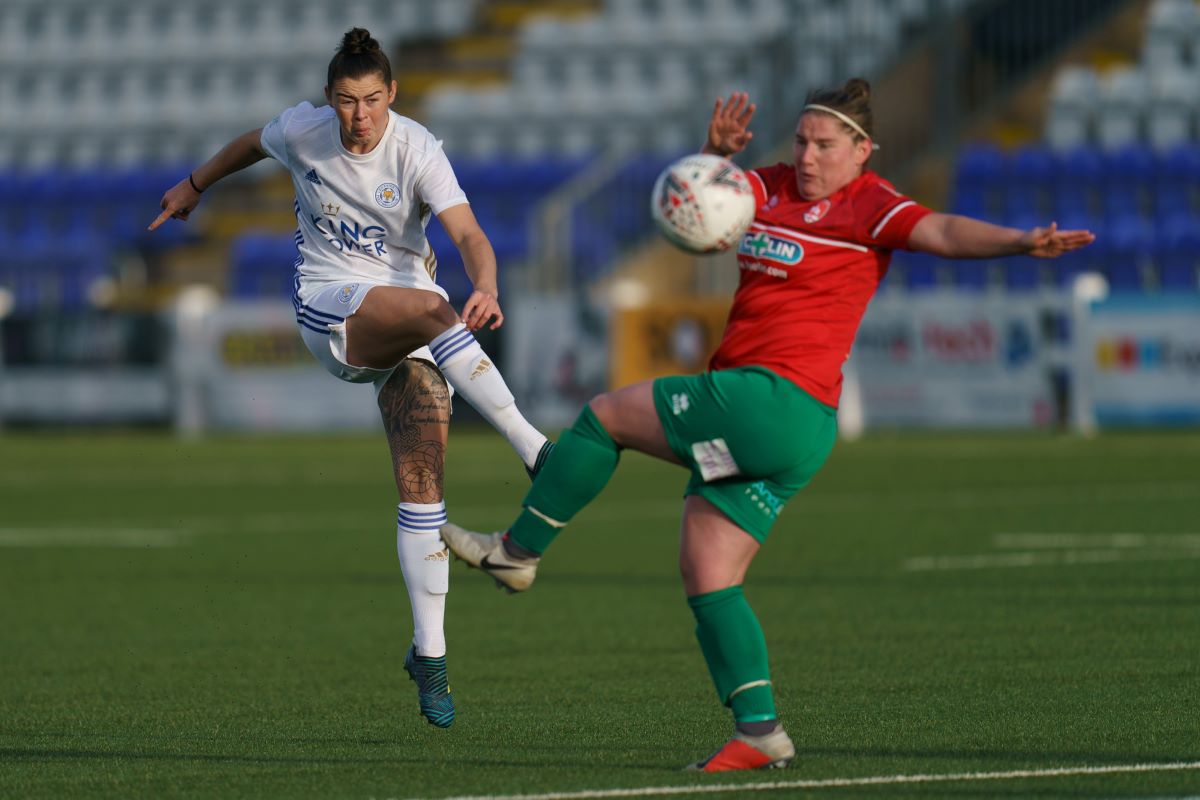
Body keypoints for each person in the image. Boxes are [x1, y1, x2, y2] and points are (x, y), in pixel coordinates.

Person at [440, 80, 1095, 768]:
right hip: (792, 432)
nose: (808, 156)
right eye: (802, 140)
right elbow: (694, 223)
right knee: (709, 572)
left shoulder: (870, 204)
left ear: (862, 151)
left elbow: (942, 231)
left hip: (771, 398)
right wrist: (711, 158)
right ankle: (759, 731)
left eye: (826, 145)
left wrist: (1021, 242)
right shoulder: (766, 188)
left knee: (603, 419)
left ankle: (518, 552)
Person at [151, 28, 556, 729]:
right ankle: (534, 449)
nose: (359, 116)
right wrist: (192, 186)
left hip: (411, 325)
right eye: (346, 101)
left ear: (392, 95)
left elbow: (468, 235)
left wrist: (486, 282)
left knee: (423, 484)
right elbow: (252, 141)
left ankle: (429, 655)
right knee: (434, 305)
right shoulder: (305, 131)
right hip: (331, 308)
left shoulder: (417, 147)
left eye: (372, 100)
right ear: (330, 100)